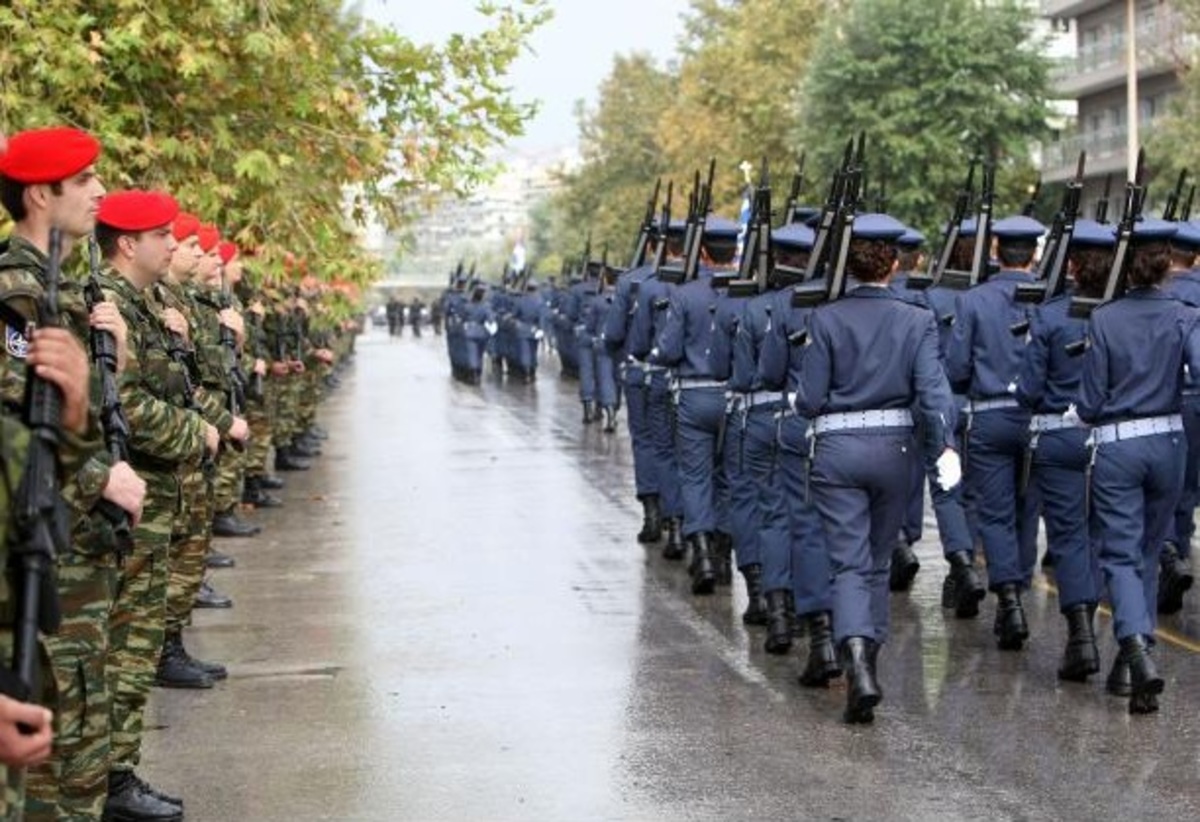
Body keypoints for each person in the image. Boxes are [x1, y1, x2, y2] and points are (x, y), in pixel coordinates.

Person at [0, 126, 150, 821]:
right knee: (50, 757)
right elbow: (20, 436)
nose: (98, 192)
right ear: (40, 194)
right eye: (83, 180)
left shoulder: (54, 287)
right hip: (36, 543)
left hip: (62, 539)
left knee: (76, 720)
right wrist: (99, 478)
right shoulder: (16, 296)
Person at [795, 214, 959, 724]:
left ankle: (857, 659)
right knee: (876, 559)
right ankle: (872, 658)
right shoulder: (917, 318)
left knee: (846, 562)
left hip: (838, 450)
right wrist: (946, 446)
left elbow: (810, 399)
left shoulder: (825, 317)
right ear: (893, 262)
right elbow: (933, 396)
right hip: (895, 450)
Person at [96, 190, 218, 821]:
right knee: (123, 646)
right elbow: (131, 405)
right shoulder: (112, 303)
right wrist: (193, 431)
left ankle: (118, 774)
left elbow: (170, 383)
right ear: (128, 243)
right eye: (162, 235)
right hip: (129, 501)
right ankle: (111, 781)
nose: (172, 245)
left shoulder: (145, 305)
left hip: (153, 495)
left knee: (136, 646)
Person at [1078, 217, 1200, 715]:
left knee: (1123, 556)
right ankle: (1128, 667)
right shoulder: (1184, 314)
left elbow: (1089, 402)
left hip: (1119, 445)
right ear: (1168, 266)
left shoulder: (1104, 318)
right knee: (1148, 551)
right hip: (1169, 442)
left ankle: (1137, 649)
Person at [1015, 218, 1112, 683]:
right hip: (1112, 438)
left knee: (1069, 537)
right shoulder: (1122, 312)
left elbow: (1030, 387)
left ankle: (1081, 635)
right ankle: (1092, 623)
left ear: (1071, 264)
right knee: (1098, 535)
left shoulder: (1051, 315)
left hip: (1058, 435)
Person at [946, 214, 1046, 650]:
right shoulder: (1051, 297)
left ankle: (1008, 599)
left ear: (996, 251)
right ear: (1036, 254)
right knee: (1030, 506)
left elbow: (957, 368)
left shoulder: (973, 300)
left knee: (997, 513)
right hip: (1038, 417)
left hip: (990, 415)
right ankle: (1018, 583)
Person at [650, 216, 741, 595]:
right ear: (734, 250)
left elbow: (669, 350)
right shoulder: (742, 292)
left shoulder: (684, 293)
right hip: (733, 397)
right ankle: (722, 555)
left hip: (693, 393)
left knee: (695, 475)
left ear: (701, 251)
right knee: (726, 477)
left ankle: (701, 551)